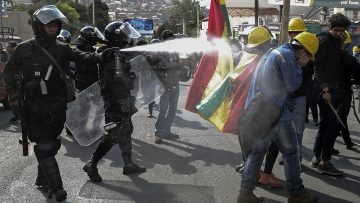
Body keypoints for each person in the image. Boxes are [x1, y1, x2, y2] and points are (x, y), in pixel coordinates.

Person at [3, 5, 112, 202]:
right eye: (49, 26)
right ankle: (57, 187)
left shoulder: (61, 48)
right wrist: (15, 100)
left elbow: (81, 56)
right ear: (38, 26)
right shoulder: (23, 49)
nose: (53, 29)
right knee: (44, 146)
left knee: (51, 145)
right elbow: (9, 73)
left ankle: (41, 179)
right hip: (34, 107)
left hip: (58, 107)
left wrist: (100, 56)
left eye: (55, 25)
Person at [237, 32, 319, 203]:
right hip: (277, 112)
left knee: (257, 152)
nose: (309, 60)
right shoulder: (288, 58)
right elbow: (293, 85)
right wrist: (300, 67)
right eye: (309, 56)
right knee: (291, 152)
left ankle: (245, 193)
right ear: (303, 52)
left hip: (261, 110)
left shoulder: (275, 51)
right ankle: (296, 194)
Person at [83, 21, 146, 183]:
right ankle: (91, 163)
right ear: (116, 35)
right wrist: (129, 78)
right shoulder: (111, 54)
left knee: (126, 129)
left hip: (123, 97)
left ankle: (128, 163)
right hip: (114, 99)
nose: (127, 38)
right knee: (114, 132)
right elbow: (117, 78)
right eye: (124, 35)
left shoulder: (118, 53)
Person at [310, 13, 352, 176]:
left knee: (325, 124)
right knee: (333, 125)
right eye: (337, 30)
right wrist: (325, 89)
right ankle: (325, 162)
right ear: (330, 27)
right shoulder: (325, 41)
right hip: (324, 90)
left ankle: (316, 157)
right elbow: (317, 67)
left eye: (343, 30)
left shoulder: (336, 42)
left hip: (331, 88)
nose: (340, 33)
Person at [150, 30, 184, 144]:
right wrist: (180, 64)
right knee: (163, 108)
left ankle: (166, 130)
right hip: (164, 83)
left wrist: (183, 64)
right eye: (170, 39)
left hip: (174, 81)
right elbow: (166, 65)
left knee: (173, 108)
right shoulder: (159, 51)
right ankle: (158, 133)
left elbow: (176, 62)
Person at [334, 31, 359, 150]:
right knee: (340, 118)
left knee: (337, 118)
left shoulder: (327, 57)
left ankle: (347, 142)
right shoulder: (350, 60)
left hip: (328, 91)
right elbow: (358, 77)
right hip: (344, 92)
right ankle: (325, 150)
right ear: (347, 44)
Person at [74, 26, 106, 91]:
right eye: (94, 35)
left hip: (85, 83)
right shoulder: (84, 49)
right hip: (87, 85)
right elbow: (90, 69)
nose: (96, 37)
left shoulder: (83, 47)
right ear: (89, 36)